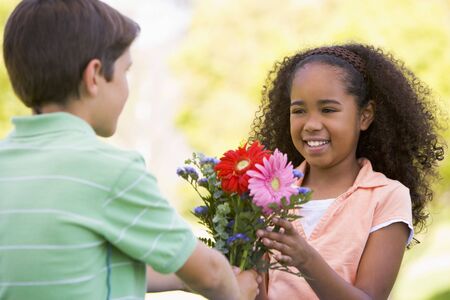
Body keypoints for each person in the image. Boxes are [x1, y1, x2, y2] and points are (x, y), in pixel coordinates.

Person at [0, 1, 260, 299]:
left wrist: (183, 279)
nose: (127, 87)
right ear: (94, 76)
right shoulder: (111, 171)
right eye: (126, 71)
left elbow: (70, 266)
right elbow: (212, 273)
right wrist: (235, 292)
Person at [250, 43, 445, 299]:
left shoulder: (386, 197)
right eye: (299, 111)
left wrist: (305, 259)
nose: (311, 124)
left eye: (328, 110)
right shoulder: (271, 192)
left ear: (365, 116)